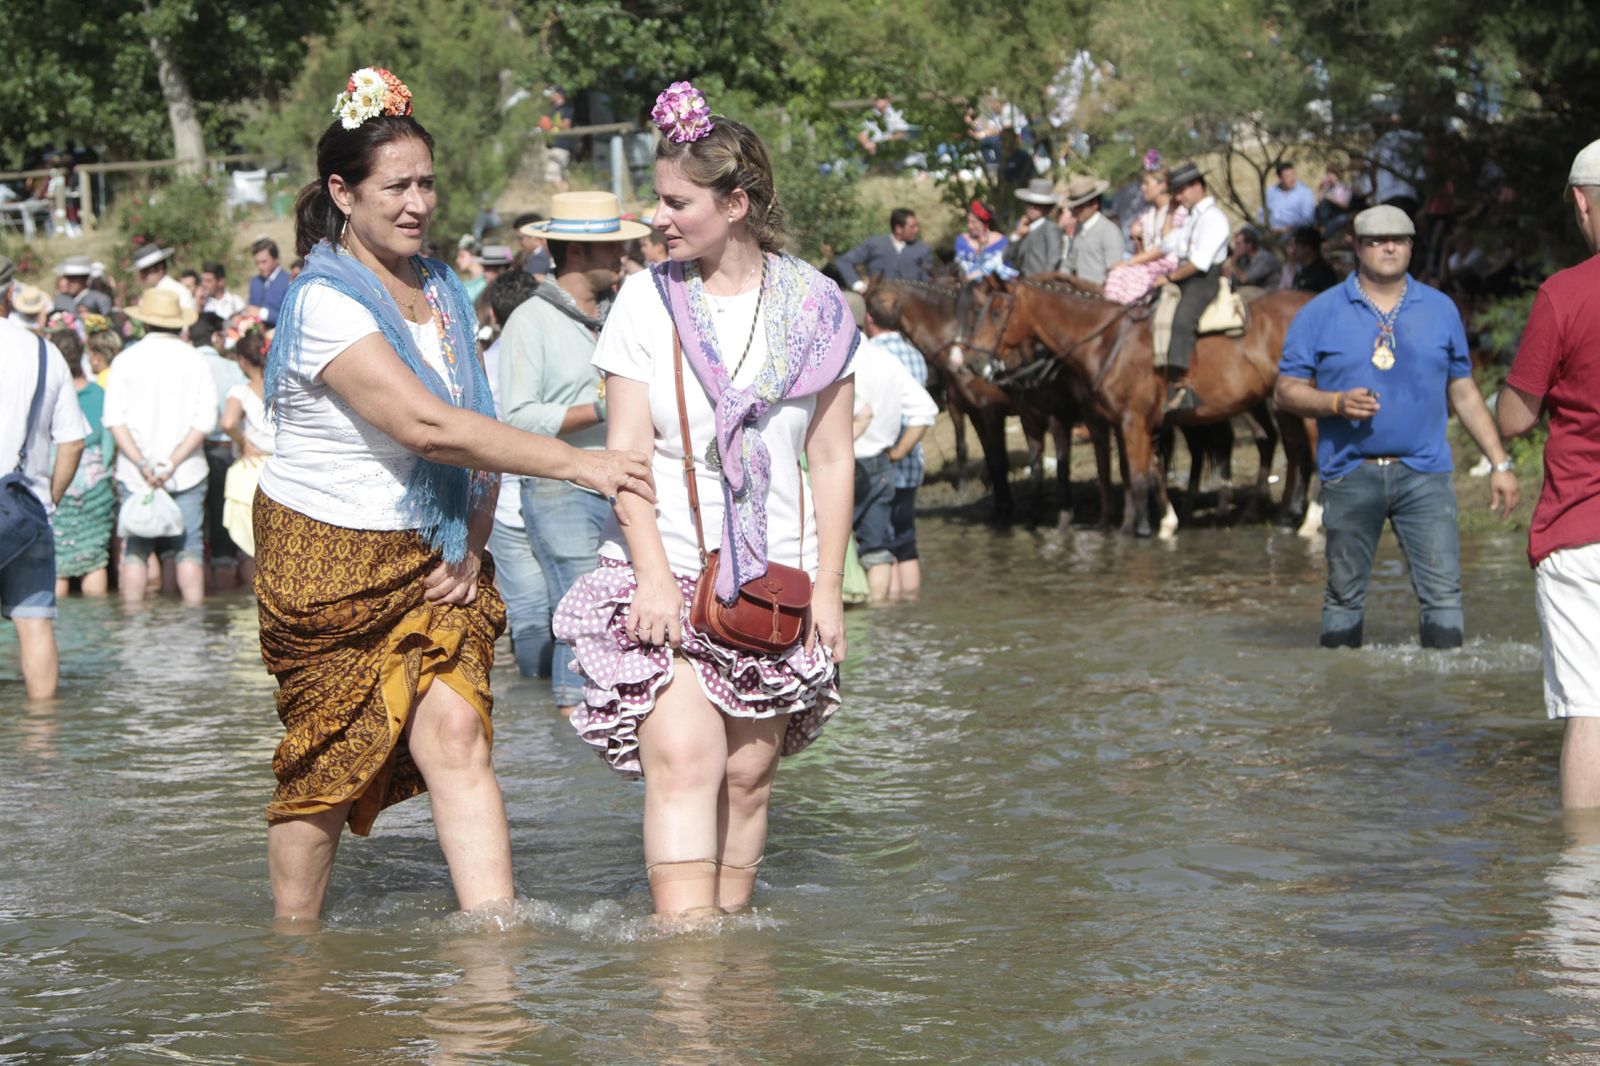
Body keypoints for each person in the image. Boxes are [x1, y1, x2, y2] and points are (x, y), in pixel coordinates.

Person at [254, 68, 651, 924]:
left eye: (426, 183)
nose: (417, 203)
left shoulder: (439, 286)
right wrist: (576, 464)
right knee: (328, 771)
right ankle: (293, 950)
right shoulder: (322, 301)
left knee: (459, 733)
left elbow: (477, 414)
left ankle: (496, 940)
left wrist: (471, 541)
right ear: (342, 193)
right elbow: (427, 427)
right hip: (327, 560)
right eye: (395, 187)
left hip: (434, 552)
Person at [552, 82, 856, 923]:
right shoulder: (645, 301)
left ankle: (735, 963)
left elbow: (832, 457)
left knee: (749, 776)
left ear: (736, 204)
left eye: (676, 202)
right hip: (665, 565)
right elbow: (626, 458)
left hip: (773, 580)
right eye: (659, 199)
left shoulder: (817, 307)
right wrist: (652, 577)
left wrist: (830, 588)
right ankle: (685, 965)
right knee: (686, 758)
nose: (658, 218)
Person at [1274, 204, 1517, 649]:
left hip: (1426, 473)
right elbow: (1286, 391)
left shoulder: (1441, 309)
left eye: (1399, 240)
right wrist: (1334, 402)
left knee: (1443, 593)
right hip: (1349, 472)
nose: (1389, 248)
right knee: (1343, 596)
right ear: (1357, 247)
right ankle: (1343, 684)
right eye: (1377, 241)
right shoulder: (1319, 312)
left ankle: (1444, 688)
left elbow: (1463, 391)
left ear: (1411, 246)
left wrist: (1499, 462)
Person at [503, 191, 650, 716]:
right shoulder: (530, 320)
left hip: (623, 479)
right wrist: (602, 408)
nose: (622, 256)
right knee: (583, 608)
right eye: (612, 248)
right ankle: (574, 717)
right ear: (579, 253)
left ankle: (603, 719)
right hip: (559, 485)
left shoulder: (624, 312)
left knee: (620, 607)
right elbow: (517, 419)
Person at [1495, 138, 1600, 808]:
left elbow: (1514, 419)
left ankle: (1584, 866)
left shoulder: (1564, 294)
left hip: (1582, 528)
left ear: (1581, 203)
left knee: (1591, 714)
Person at [0, 261, 87, 699]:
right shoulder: (43, 352)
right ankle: (42, 729)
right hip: (26, 507)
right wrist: (48, 499)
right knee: (34, 625)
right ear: (9, 294)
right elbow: (72, 443)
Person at [102, 289, 216, 606]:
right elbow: (205, 421)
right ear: (179, 324)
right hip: (186, 470)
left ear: (144, 323)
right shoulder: (195, 360)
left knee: (135, 549)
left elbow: (114, 420)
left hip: (136, 473)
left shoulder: (124, 361)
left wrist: (142, 463)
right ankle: (193, 620)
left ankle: (132, 621)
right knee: (189, 547)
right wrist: (172, 462)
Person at [480, 268, 550, 679]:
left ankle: (536, 700)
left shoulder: (484, 364)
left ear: (493, 314)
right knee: (571, 608)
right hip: (558, 492)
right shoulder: (550, 355)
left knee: (527, 614)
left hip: (504, 503)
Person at [854, 288, 937, 602]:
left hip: (852, 459)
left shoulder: (857, 355)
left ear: (870, 320)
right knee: (897, 542)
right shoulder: (910, 355)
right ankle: (897, 610)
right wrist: (900, 451)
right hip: (896, 461)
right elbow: (925, 409)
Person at [1152, 162, 1231, 412]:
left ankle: (1182, 385)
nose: (1178, 196)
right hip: (1186, 276)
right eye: (1175, 192)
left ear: (1198, 186)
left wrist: (1170, 278)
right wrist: (1169, 211)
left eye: (1181, 190)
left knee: (1182, 321)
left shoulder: (1214, 218)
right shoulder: (1191, 218)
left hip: (1203, 280)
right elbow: (1167, 243)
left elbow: (1199, 263)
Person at [48, 328, 117, 598]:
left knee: (57, 562)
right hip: (95, 486)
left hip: (57, 478)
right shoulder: (100, 394)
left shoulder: (50, 395)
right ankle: (96, 619)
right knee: (94, 560)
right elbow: (109, 445)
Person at [192, 311, 247, 589]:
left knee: (193, 531)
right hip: (227, 450)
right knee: (224, 527)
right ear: (215, 337)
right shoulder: (232, 368)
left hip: (190, 452)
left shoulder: (186, 364)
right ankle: (226, 590)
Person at [219, 326, 271, 582]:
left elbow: (228, 423)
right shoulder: (280, 388)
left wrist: (243, 441)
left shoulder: (240, 391)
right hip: (280, 467)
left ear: (242, 360)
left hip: (251, 468)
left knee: (251, 546)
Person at [1104, 166, 1187, 304]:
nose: (1142, 188)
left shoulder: (1178, 212)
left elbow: (1164, 249)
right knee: (1117, 274)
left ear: (1162, 186)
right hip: (1147, 263)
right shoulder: (1147, 214)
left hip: (1167, 264)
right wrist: (1137, 239)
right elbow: (1142, 250)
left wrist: (1129, 262)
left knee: (1120, 273)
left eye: (1147, 183)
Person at [835, 208, 932, 292]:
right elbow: (844, 261)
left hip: (911, 303)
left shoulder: (922, 249)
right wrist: (857, 284)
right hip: (877, 301)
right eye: (912, 227)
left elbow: (928, 282)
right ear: (898, 229)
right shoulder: (875, 244)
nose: (916, 230)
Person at [1058, 174, 1123, 285]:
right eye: (1074, 207)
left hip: (1098, 292)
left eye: (1080, 207)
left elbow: (1115, 270)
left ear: (1094, 205)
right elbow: (1068, 262)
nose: (1075, 211)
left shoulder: (1109, 231)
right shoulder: (1079, 228)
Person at [1006, 179, 1064, 277]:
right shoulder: (1023, 229)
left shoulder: (1051, 228)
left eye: (1038, 205)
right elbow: (1007, 257)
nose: (1031, 208)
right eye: (1029, 203)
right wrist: (1017, 235)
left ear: (1047, 208)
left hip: (1040, 283)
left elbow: (1054, 260)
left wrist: (1044, 281)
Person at [954, 199, 1012, 280]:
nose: (969, 226)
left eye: (974, 222)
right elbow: (960, 269)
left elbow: (1006, 269)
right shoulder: (962, 241)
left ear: (985, 223)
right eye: (968, 222)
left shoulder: (1002, 242)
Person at [132, 246, 196, 314]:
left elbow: (187, 317)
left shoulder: (179, 292)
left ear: (160, 268)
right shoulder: (149, 293)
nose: (142, 276)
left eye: (145, 271)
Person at [245, 238, 291, 326]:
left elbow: (290, 319)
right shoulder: (255, 282)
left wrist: (262, 313)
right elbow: (251, 308)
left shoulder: (289, 281)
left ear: (276, 259)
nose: (260, 266)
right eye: (257, 263)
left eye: (264, 262)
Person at [1264, 162, 1316, 236]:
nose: (1292, 178)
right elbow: (1262, 214)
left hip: (1294, 232)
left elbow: (1308, 220)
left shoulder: (1305, 193)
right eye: (1287, 176)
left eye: (1293, 174)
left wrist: (1287, 230)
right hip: (1271, 230)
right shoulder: (1271, 192)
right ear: (1279, 178)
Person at [540, 85, 576, 192]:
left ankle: (566, 198)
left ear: (559, 94)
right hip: (551, 145)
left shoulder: (566, 108)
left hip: (562, 145)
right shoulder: (552, 109)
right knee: (559, 176)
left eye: (552, 93)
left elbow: (566, 125)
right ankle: (567, 198)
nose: (550, 95)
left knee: (553, 173)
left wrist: (550, 123)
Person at [1288, 226, 1338, 294]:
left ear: (1307, 248)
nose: (1294, 250)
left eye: (1297, 245)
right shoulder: (1301, 271)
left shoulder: (1324, 274)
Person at [513, 212, 552, 279]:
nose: (519, 243)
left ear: (534, 236)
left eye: (520, 238)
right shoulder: (540, 254)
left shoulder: (539, 258)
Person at [455, 234, 487, 301]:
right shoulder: (465, 286)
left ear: (474, 255)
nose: (457, 260)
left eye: (462, 255)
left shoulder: (487, 282)